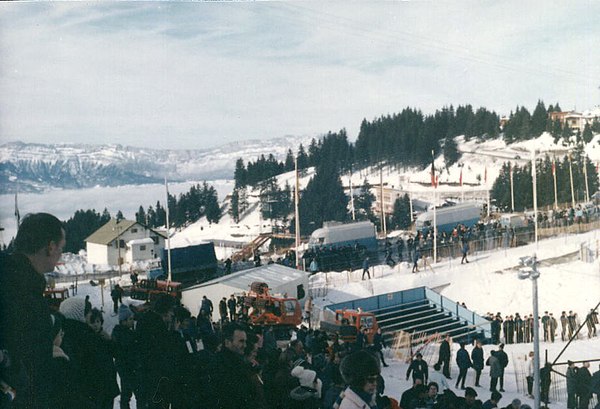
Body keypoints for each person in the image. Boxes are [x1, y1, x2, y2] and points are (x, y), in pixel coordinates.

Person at [0, 213, 65, 408]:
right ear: (50, 247)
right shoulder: (22, 293)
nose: (60, 254)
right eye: (61, 248)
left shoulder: (12, 277)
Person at [212, 322, 259, 408]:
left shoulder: (238, 362)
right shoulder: (222, 366)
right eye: (241, 341)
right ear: (227, 342)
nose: (245, 345)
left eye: (245, 341)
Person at [112, 304, 138, 409]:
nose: (133, 321)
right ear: (123, 321)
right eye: (130, 319)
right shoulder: (125, 334)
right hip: (128, 367)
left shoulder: (119, 332)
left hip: (123, 367)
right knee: (130, 392)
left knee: (126, 393)